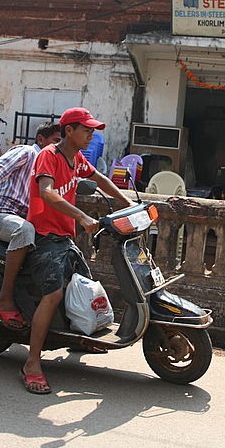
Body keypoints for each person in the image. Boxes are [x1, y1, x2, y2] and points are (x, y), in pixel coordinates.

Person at [21, 107, 133, 394]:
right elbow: (46, 191)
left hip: (64, 236)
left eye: (92, 131)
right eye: (86, 130)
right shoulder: (49, 155)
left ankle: (78, 338)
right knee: (53, 295)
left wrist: (128, 203)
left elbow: (100, 179)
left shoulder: (77, 158)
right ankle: (32, 363)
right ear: (68, 131)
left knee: (84, 286)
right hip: (44, 236)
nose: (91, 135)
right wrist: (82, 217)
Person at [0, 121, 61, 329]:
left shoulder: (51, 165)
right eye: (55, 141)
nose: (58, 147)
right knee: (24, 229)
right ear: (41, 140)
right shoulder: (28, 153)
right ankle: (5, 297)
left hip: (23, 224)